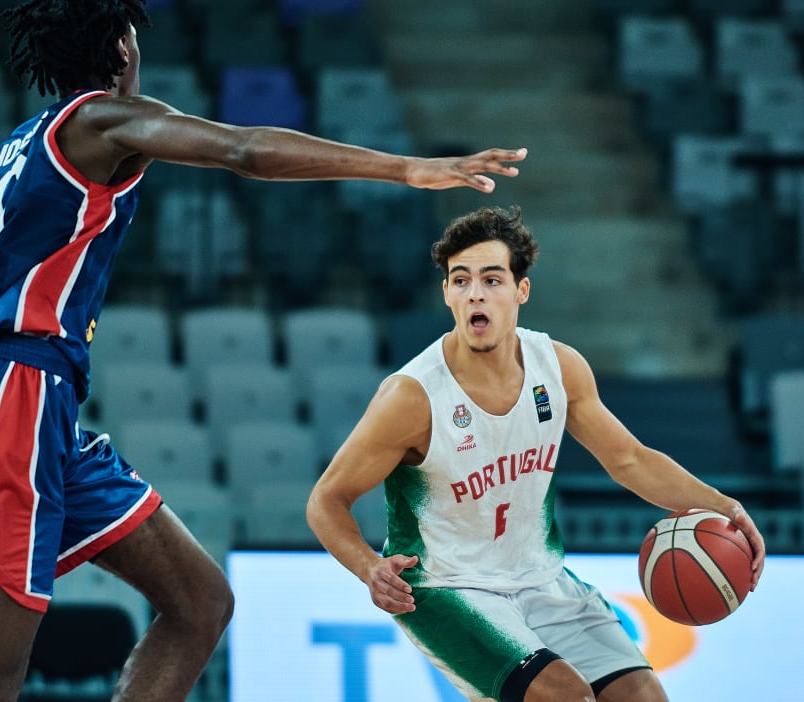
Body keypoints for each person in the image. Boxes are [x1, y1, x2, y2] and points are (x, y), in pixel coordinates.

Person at [0, 0, 526, 699]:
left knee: (199, 603)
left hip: (33, 404)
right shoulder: (99, 119)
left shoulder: (7, 159)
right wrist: (405, 168)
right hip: (12, 395)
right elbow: (242, 149)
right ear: (121, 50)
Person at [306, 205, 766, 702]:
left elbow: (630, 460)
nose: (475, 293)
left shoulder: (558, 368)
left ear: (521, 290)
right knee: (566, 697)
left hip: (542, 580)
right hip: (446, 588)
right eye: (460, 281)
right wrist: (368, 566)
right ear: (447, 294)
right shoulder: (412, 397)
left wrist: (726, 507)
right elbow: (326, 501)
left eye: (491, 279)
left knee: (643, 697)